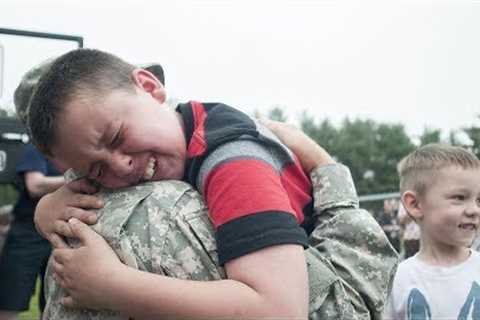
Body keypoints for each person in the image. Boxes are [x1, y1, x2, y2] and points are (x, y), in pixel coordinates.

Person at [28, 48, 398, 319]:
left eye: (117, 136)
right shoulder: (141, 146)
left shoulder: (233, 161)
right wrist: (48, 209)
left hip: (339, 295)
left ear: (150, 86)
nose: (120, 166)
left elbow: (280, 311)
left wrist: (112, 285)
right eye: (95, 170)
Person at [385, 143, 480, 319]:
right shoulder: (398, 282)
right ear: (415, 205)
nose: (475, 210)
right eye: (460, 198)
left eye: (479, 200)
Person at [0, 61, 65, 320]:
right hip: (27, 233)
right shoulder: (37, 147)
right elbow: (35, 185)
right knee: (10, 301)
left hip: (59, 234)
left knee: (54, 305)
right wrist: (74, 179)